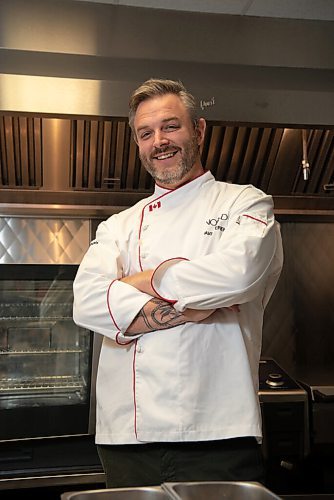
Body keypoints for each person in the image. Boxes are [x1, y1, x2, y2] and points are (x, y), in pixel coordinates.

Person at [73, 78, 283, 488]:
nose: (159, 142)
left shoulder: (245, 202)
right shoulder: (119, 225)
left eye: (171, 127)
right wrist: (193, 299)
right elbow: (85, 301)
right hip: (127, 438)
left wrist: (135, 284)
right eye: (145, 133)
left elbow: (238, 274)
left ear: (199, 130)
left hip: (217, 432)